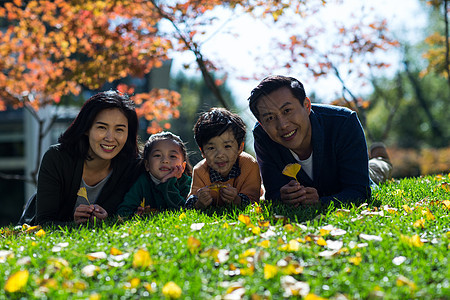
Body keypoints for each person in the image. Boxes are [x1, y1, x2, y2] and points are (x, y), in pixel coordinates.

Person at [248, 75, 392, 207]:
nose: (283, 125)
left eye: (287, 111)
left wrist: (321, 202)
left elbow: (359, 191)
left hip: (342, 176)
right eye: (270, 118)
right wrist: (283, 196)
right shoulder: (262, 136)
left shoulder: (344, 121)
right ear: (261, 123)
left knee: (372, 171)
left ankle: (381, 160)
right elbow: (273, 193)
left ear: (306, 106)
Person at [25, 91, 143, 225]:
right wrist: (76, 225)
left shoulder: (132, 167)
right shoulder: (57, 158)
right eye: (102, 127)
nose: (110, 138)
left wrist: (105, 221)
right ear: (86, 128)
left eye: (119, 130)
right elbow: (44, 223)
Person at [185, 107, 262, 209]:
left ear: (240, 147)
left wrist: (236, 200)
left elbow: (253, 200)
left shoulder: (249, 164)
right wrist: (199, 203)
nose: (220, 155)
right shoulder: (200, 171)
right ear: (202, 151)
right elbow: (190, 203)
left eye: (227, 146)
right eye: (211, 148)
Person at [117, 132, 192, 217]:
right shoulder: (142, 183)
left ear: (183, 166)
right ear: (147, 165)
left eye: (172, 156)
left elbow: (184, 211)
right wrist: (136, 214)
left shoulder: (187, 183)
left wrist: (168, 184)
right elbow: (123, 212)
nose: (165, 160)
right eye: (157, 155)